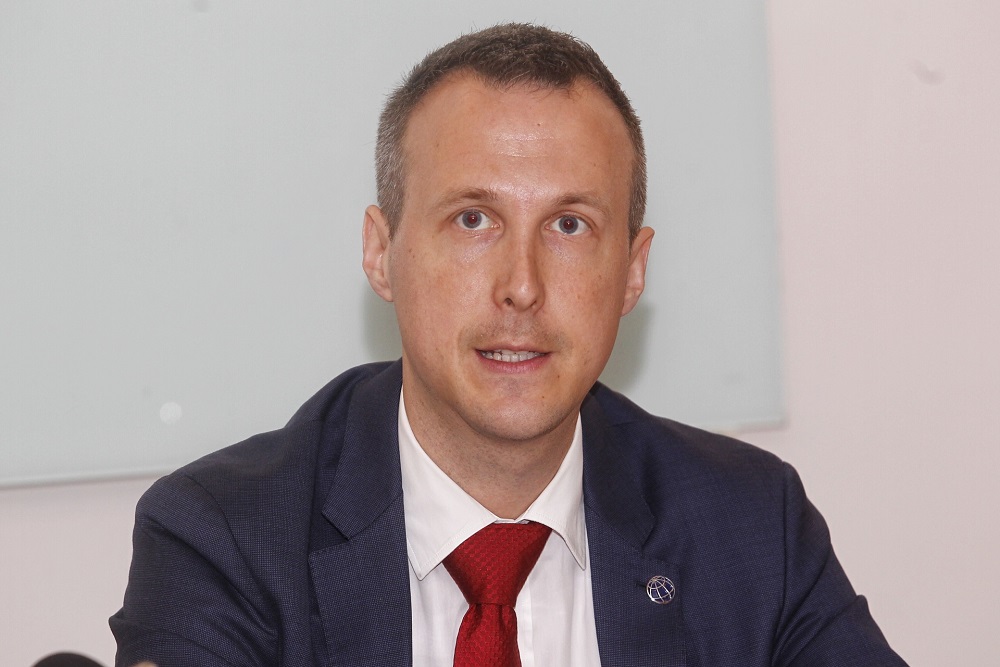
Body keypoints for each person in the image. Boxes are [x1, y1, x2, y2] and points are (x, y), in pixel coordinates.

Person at [111, 23, 907, 666]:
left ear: (632, 273)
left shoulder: (749, 524)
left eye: (569, 225)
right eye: (472, 220)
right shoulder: (226, 536)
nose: (521, 286)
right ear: (380, 252)